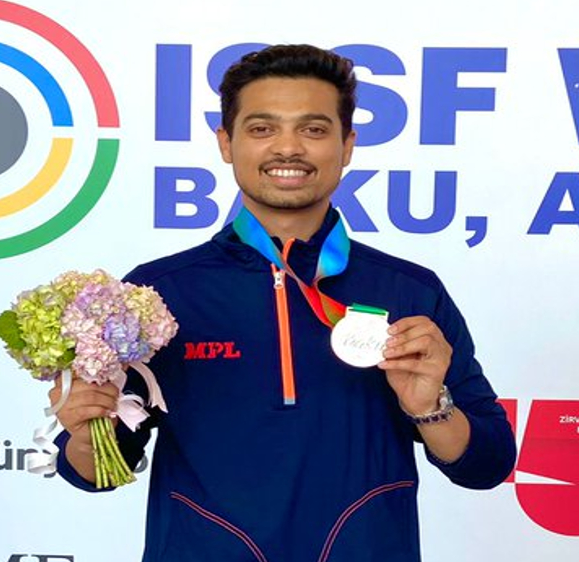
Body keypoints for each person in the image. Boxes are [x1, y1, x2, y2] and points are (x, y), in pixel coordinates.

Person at [50, 44, 516, 562]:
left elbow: (487, 465)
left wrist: (430, 409)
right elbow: (94, 475)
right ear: (227, 143)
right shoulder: (156, 295)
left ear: (348, 145)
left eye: (314, 129)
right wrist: (86, 429)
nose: (288, 148)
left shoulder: (410, 292)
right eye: (262, 128)